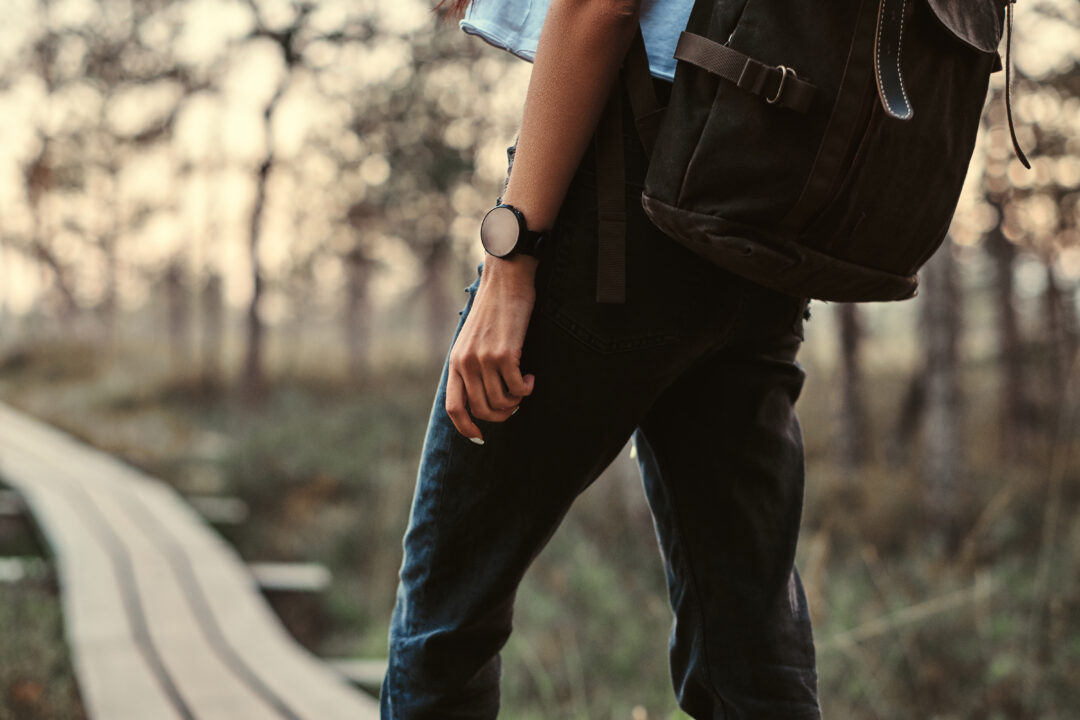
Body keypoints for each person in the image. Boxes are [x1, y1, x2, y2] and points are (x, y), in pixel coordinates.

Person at [381, 0, 820, 717]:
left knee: (445, 616)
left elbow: (601, 6)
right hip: (764, 203)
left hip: (632, 188)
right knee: (749, 645)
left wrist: (511, 259)